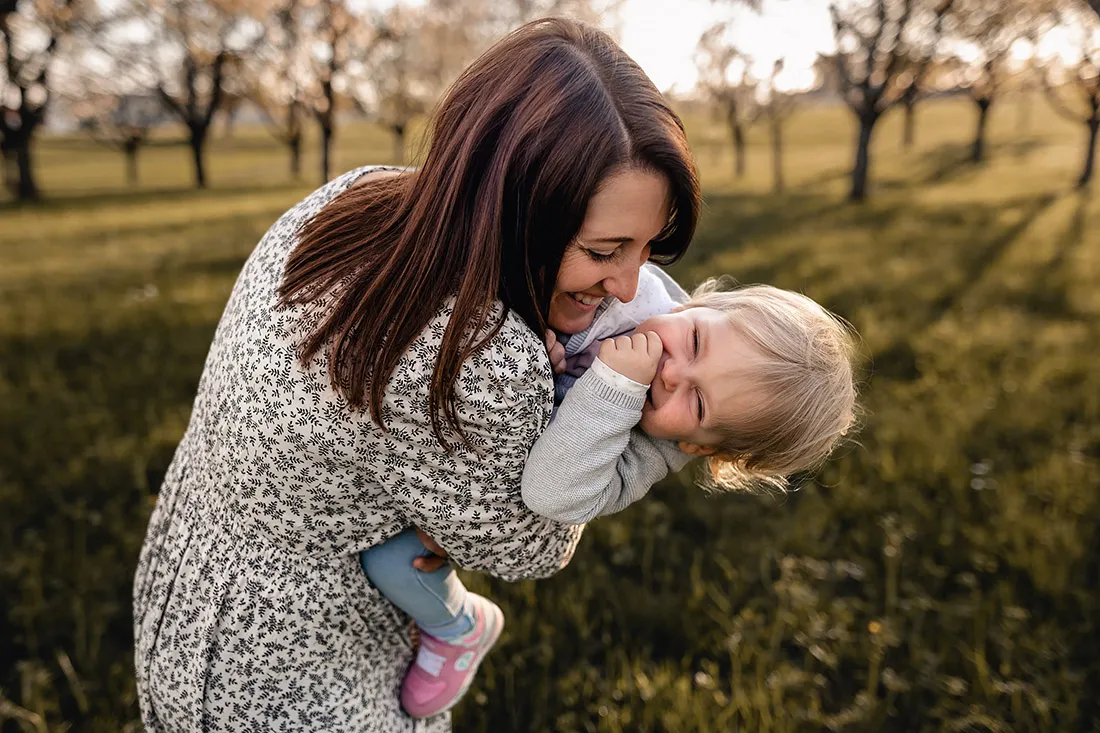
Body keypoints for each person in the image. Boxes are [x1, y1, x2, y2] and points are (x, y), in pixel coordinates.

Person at [131, 17, 700, 732]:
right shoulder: (478, 352)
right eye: (605, 249)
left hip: (190, 583)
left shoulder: (359, 198)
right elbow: (531, 540)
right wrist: (651, 430)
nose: (627, 285)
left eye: (648, 247)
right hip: (298, 670)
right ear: (516, 210)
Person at [362, 270, 858, 718]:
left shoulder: (650, 453)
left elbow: (552, 493)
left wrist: (611, 387)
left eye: (699, 402)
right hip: (437, 416)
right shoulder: (633, 290)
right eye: (697, 341)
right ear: (699, 307)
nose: (672, 373)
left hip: (469, 487)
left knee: (388, 559)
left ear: (698, 446)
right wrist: (539, 348)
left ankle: (458, 625)